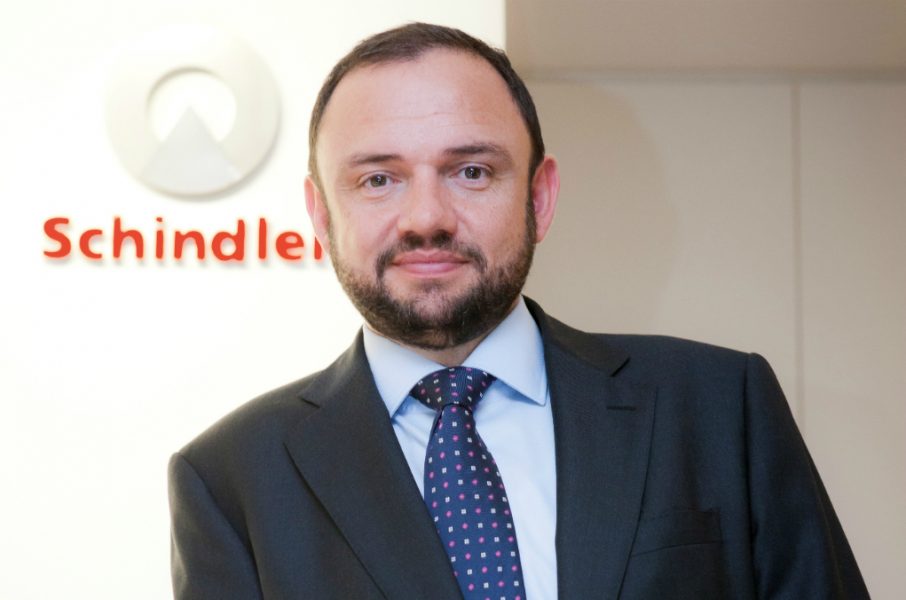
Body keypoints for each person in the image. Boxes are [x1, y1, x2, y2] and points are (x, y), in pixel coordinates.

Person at [168, 23, 869, 600]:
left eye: (471, 171)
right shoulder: (231, 479)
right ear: (322, 215)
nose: (426, 218)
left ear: (540, 197)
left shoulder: (718, 407)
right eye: (378, 179)